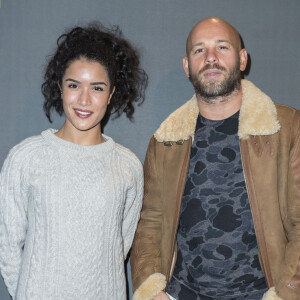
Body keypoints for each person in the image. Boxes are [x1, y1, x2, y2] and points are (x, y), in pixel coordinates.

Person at [130, 17, 300, 300]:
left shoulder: (287, 129)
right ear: (187, 66)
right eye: (199, 50)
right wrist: (151, 289)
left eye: (222, 47)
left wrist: (286, 294)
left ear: (242, 59)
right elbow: (150, 223)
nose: (211, 58)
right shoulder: (166, 141)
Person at [0, 23, 147, 300]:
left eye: (97, 88)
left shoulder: (127, 166)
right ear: (60, 87)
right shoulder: (26, 158)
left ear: (111, 94)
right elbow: (6, 246)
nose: (84, 99)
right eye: (73, 85)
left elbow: (119, 246)